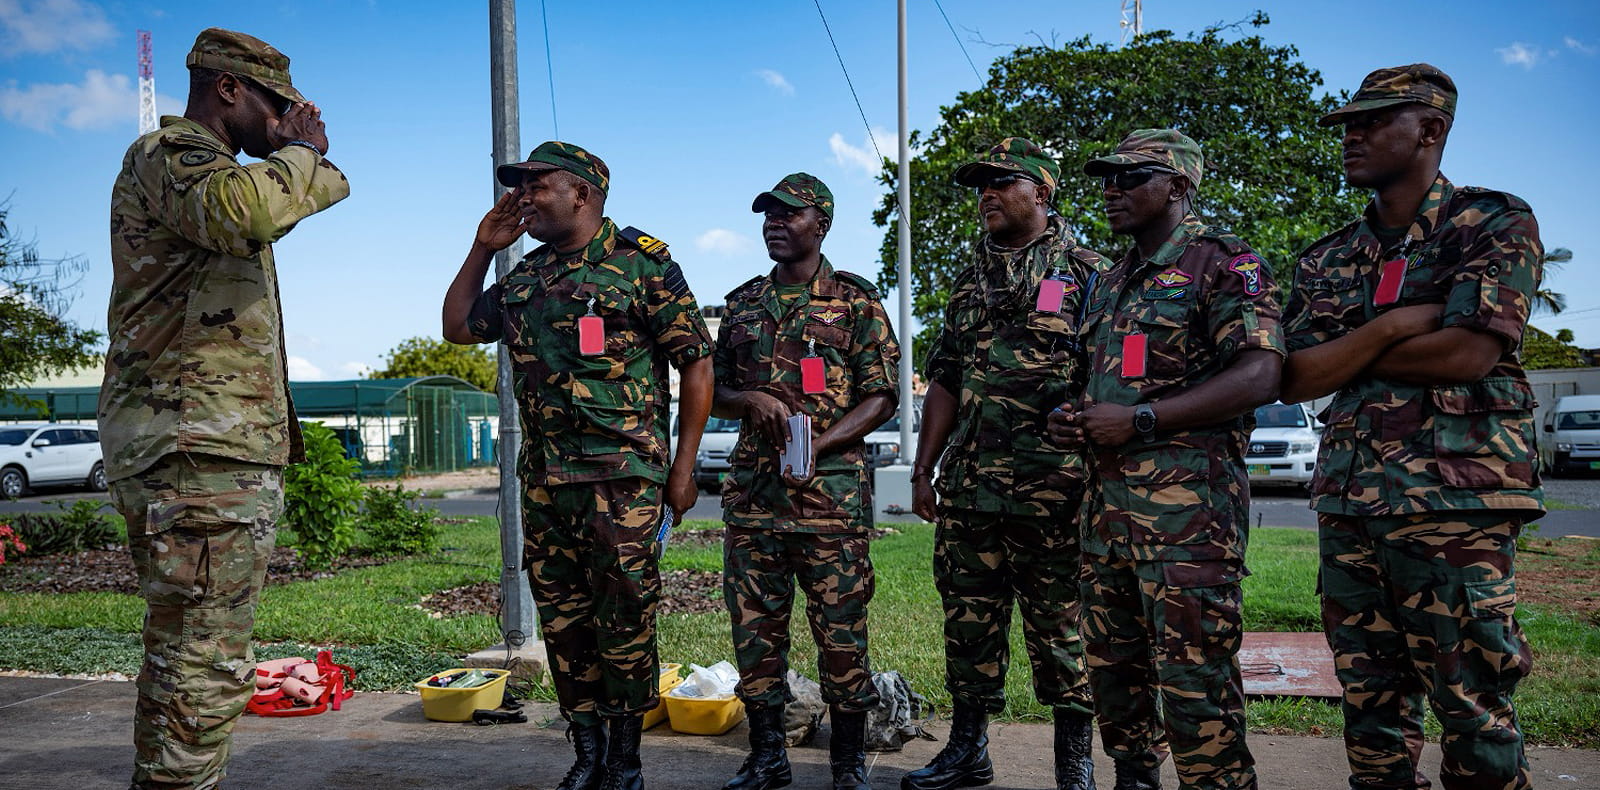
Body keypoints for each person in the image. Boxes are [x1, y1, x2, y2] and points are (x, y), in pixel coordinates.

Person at [1279, 64, 1543, 790]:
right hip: (1353, 501)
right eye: (1347, 124)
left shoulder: (1493, 222)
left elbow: (1467, 350)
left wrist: (1350, 349)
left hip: (1456, 503)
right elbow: (1295, 374)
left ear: (1430, 130)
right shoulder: (1327, 257)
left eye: (1370, 122)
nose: (1351, 137)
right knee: (1369, 701)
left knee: (1470, 698)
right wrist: (1394, 325)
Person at [100, 27, 348, 790]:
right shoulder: (174, 157)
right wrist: (302, 152)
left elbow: (275, 202)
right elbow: (248, 212)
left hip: (203, 444)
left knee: (185, 654)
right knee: (208, 661)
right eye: (274, 105)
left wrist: (301, 162)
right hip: (194, 447)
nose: (284, 122)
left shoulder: (204, 173)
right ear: (228, 90)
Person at [441, 141, 714, 790]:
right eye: (520, 186)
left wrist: (683, 468)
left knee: (624, 620)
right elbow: (457, 326)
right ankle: (586, 755)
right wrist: (483, 247)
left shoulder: (641, 265)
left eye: (539, 185)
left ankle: (624, 762)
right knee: (565, 627)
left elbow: (697, 361)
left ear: (583, 194)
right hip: (545, 488)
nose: (524, 196)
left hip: (623, 485)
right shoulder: (527, 278)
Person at [1049, 129, 1284, 790]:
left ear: (1180, 186)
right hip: (1105, 527)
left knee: (1195, 697)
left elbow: (1261, 375)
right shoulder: (1107, 280)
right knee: (1115, 689)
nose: (1110, 190)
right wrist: (1074, 417)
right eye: (1107, 178)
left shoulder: (1223, 263)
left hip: (1188, 530)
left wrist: (1140, 419)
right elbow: (1096, 386)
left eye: (1131, 178)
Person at [906, 138, 1105, 790]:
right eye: (980, 185)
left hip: (1057, 492)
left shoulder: (1090, 272)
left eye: (1002, 181)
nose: (987, 194)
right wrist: (922, 469)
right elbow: (944, 380)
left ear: (1042, 192)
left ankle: (1074, 769)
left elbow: (1117, 378)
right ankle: (969, 752)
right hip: (971, 490)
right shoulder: (969, 279)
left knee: (1062, 633)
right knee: (969, 627)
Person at [712, 173, 901, 790]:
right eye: (767, 214)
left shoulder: (856, 300)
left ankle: (845, 765)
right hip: (754, 501)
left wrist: (823, 441)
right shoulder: (741, 304)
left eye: (789, 215)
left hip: (830, 503)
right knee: (755, 635)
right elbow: (712, 390)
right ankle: (767, 756)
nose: (774, 223)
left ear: (821, 224)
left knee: (842, 634)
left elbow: (882, 396)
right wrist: (750, 401)